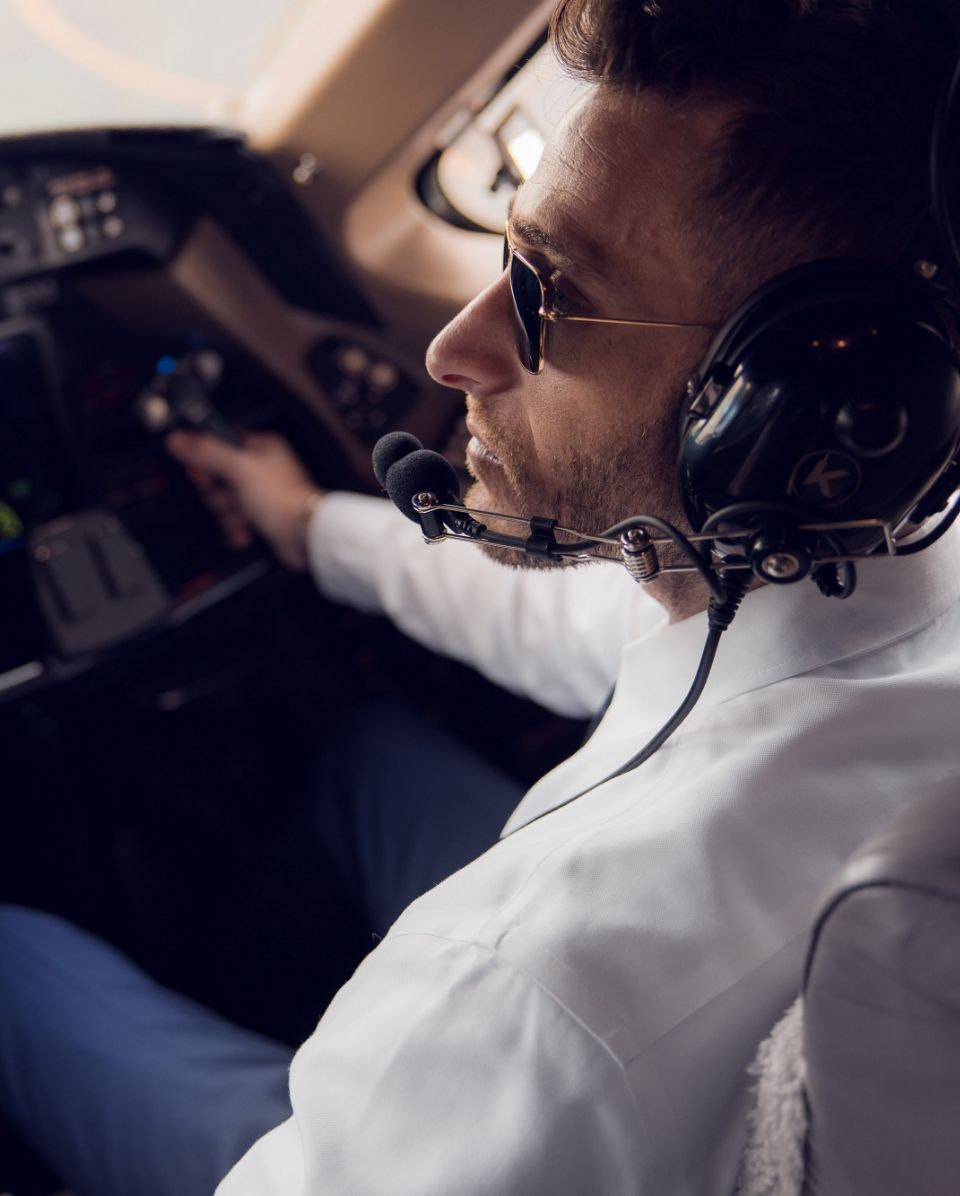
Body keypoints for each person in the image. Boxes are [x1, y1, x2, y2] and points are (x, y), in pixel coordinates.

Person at [4, 0, 960, 1192]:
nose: (453, 351)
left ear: (772, 408)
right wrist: (310, 528)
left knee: (18, 959)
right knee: (365, 754)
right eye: (502, 259)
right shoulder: (887, 568)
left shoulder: (528, 987)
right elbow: (571, 624)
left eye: (547, 291)